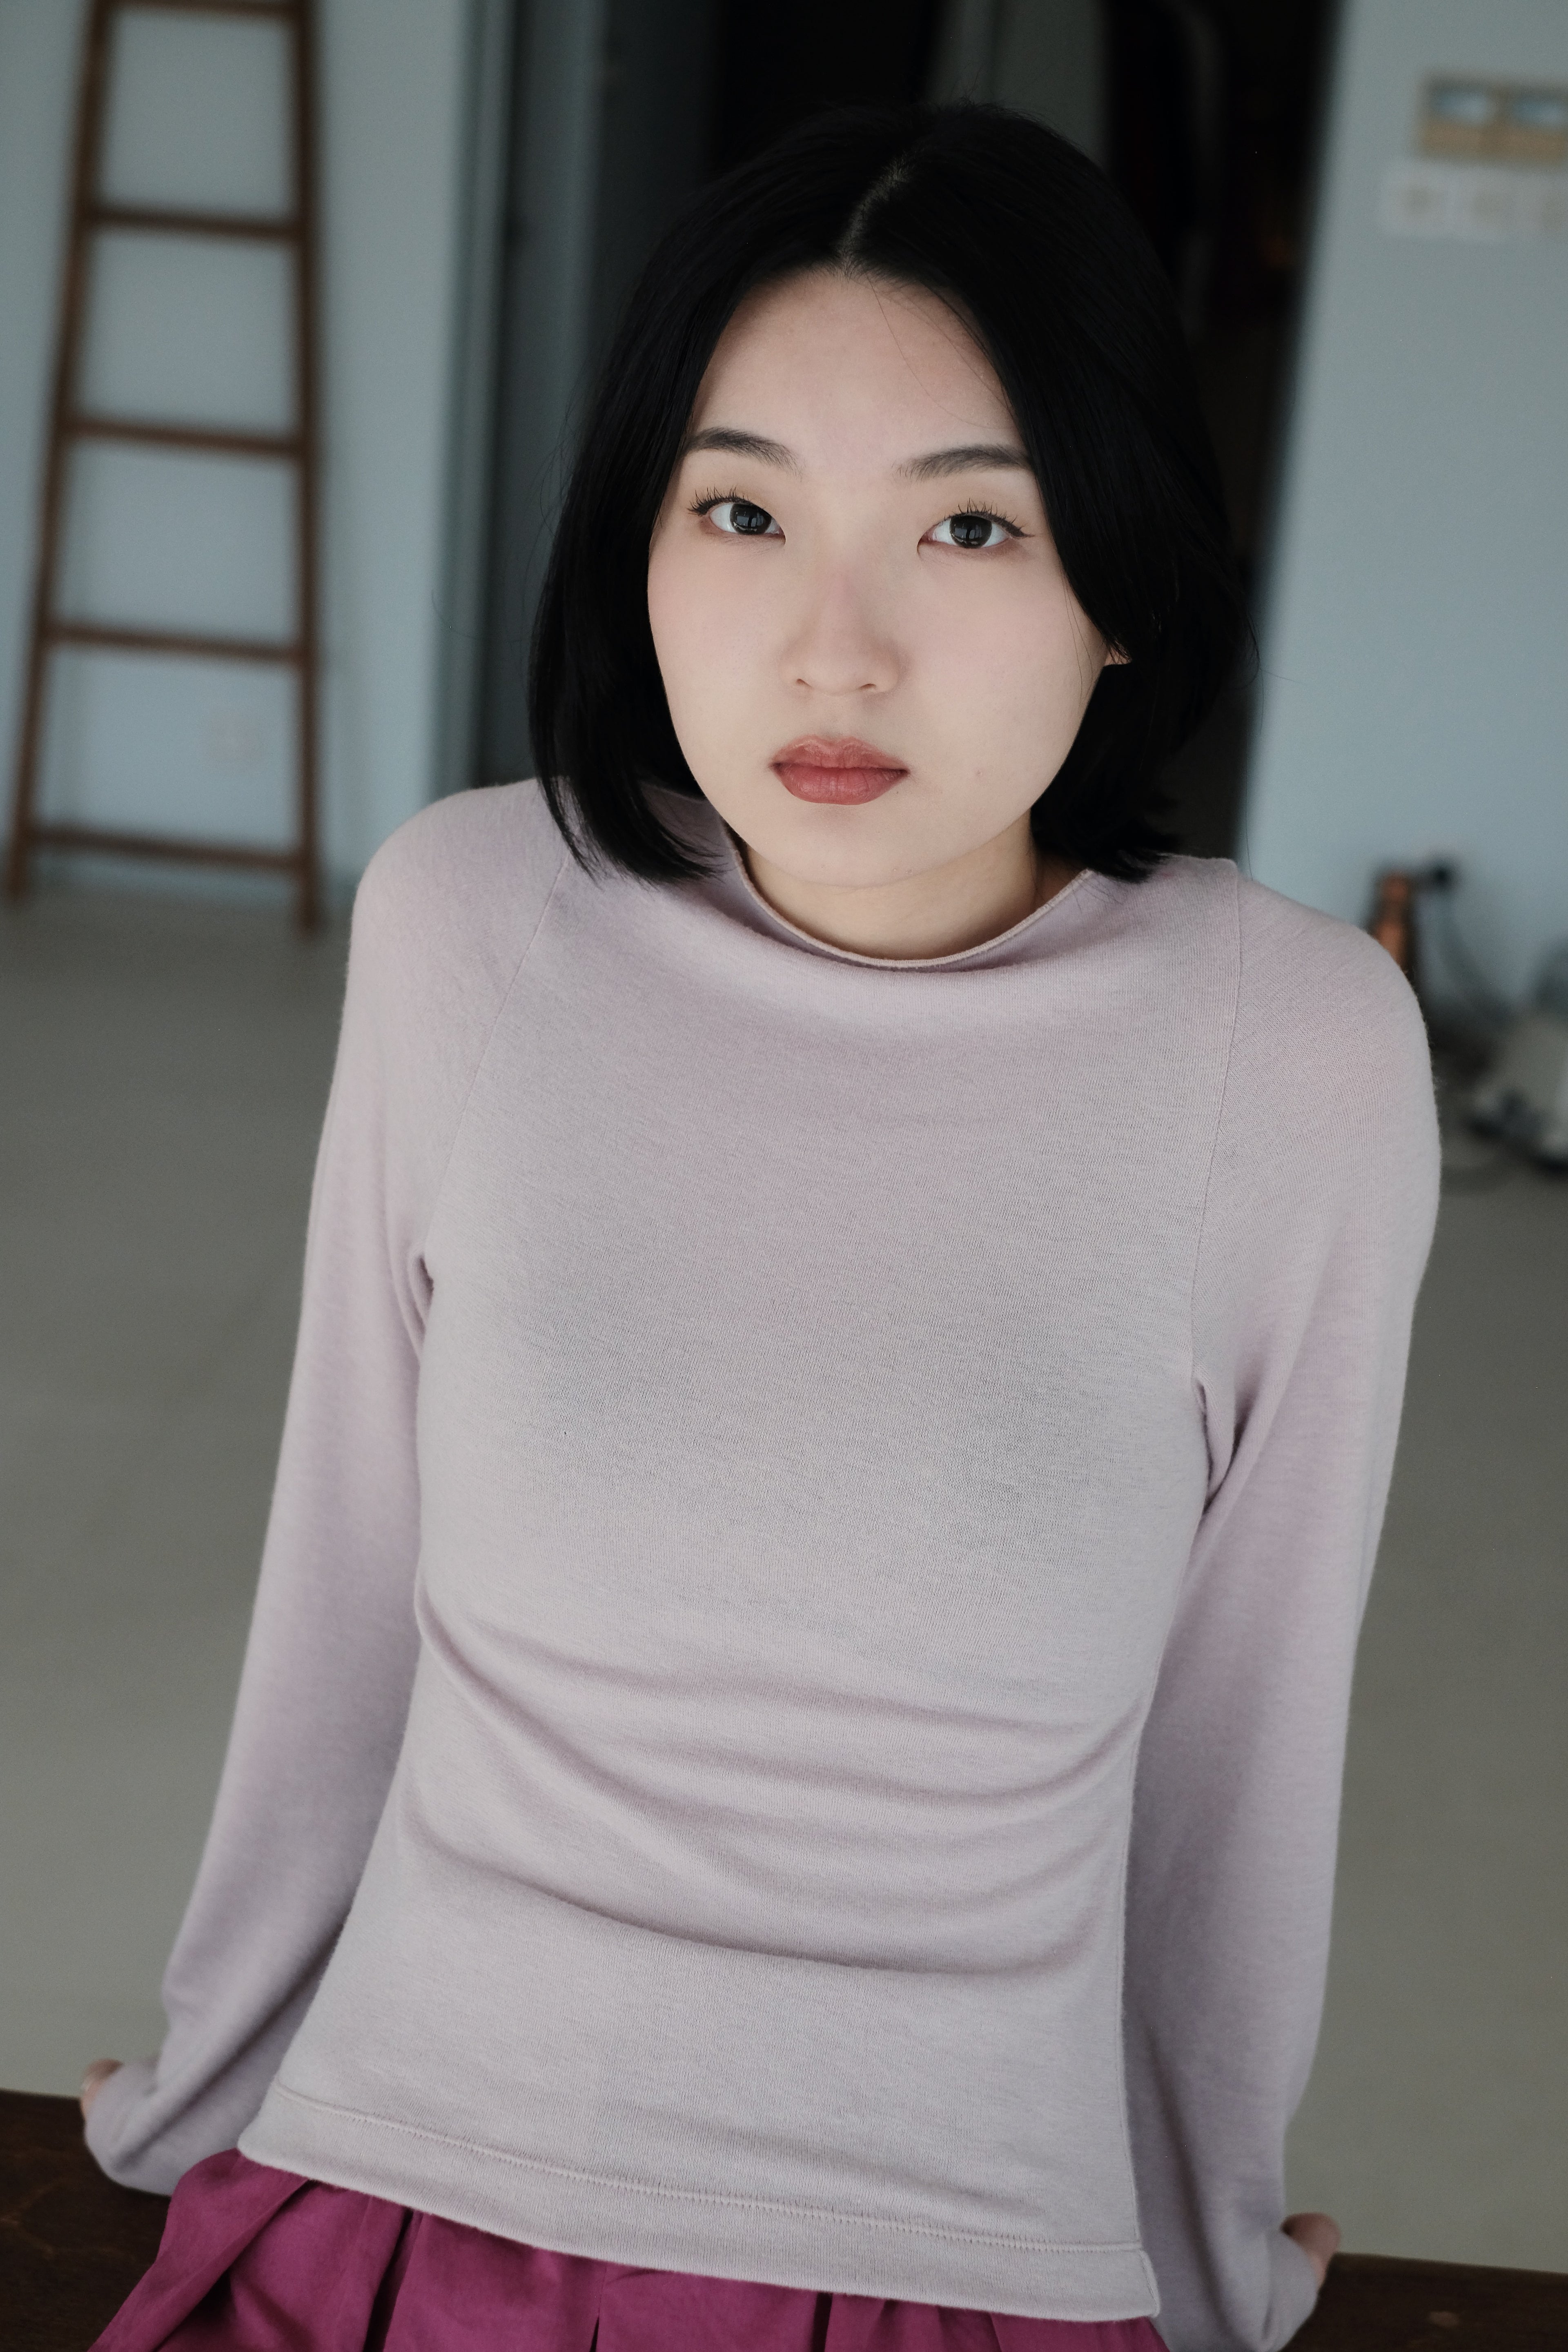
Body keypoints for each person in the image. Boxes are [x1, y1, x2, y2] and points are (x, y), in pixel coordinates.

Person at [80, 102, 1438, 2352]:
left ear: (1122, 581)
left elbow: (1240, 1748)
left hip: (959, 2266)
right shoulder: (472, 917)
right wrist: (214, 2081)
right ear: (639, 542)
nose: (836, 653)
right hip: (410, 2203)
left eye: (971, 526)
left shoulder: (1290, 1050)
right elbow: (342, 1594)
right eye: (740, 511)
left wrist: (1201, 2252)